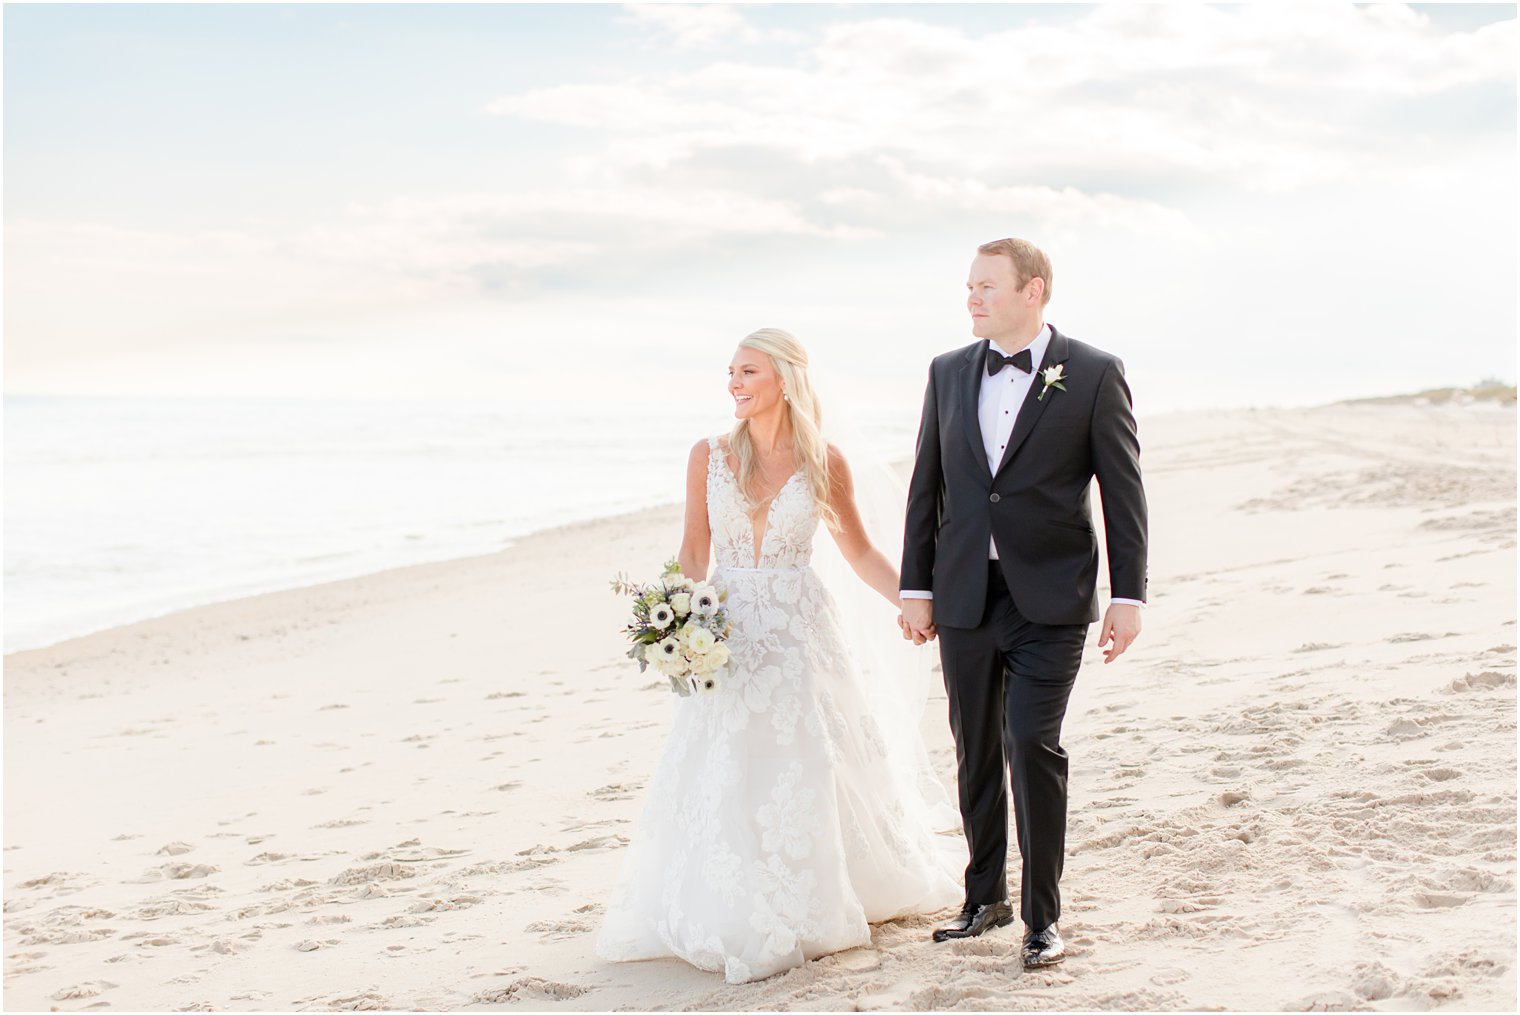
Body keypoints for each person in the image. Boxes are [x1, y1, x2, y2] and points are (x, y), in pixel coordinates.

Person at [596, 328, 961, 984]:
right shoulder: (707, 456)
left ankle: (826, 886)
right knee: (729, 759)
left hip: (800, 633)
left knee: (807, 758)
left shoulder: (826, 461)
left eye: (748, 372)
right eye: (731, 372)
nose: (734, 383)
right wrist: (680, 616)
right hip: (728, 629)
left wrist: (911, 600)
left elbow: (858, 551)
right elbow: (694, 549)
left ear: (785, 380)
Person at [899, 237, 1149, 968]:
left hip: (1052, 598)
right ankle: (985, 898)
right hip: (966, 595)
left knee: (1030, 742)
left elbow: (1122, 490)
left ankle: (1044, 917)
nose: (972, 297)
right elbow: (927, 486)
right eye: (969, 286)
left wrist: (1128, 595)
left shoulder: (1096, 373)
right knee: (975, 744)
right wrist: (917, 587)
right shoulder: (947, 372)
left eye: (986, 286)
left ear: (1033, 291)